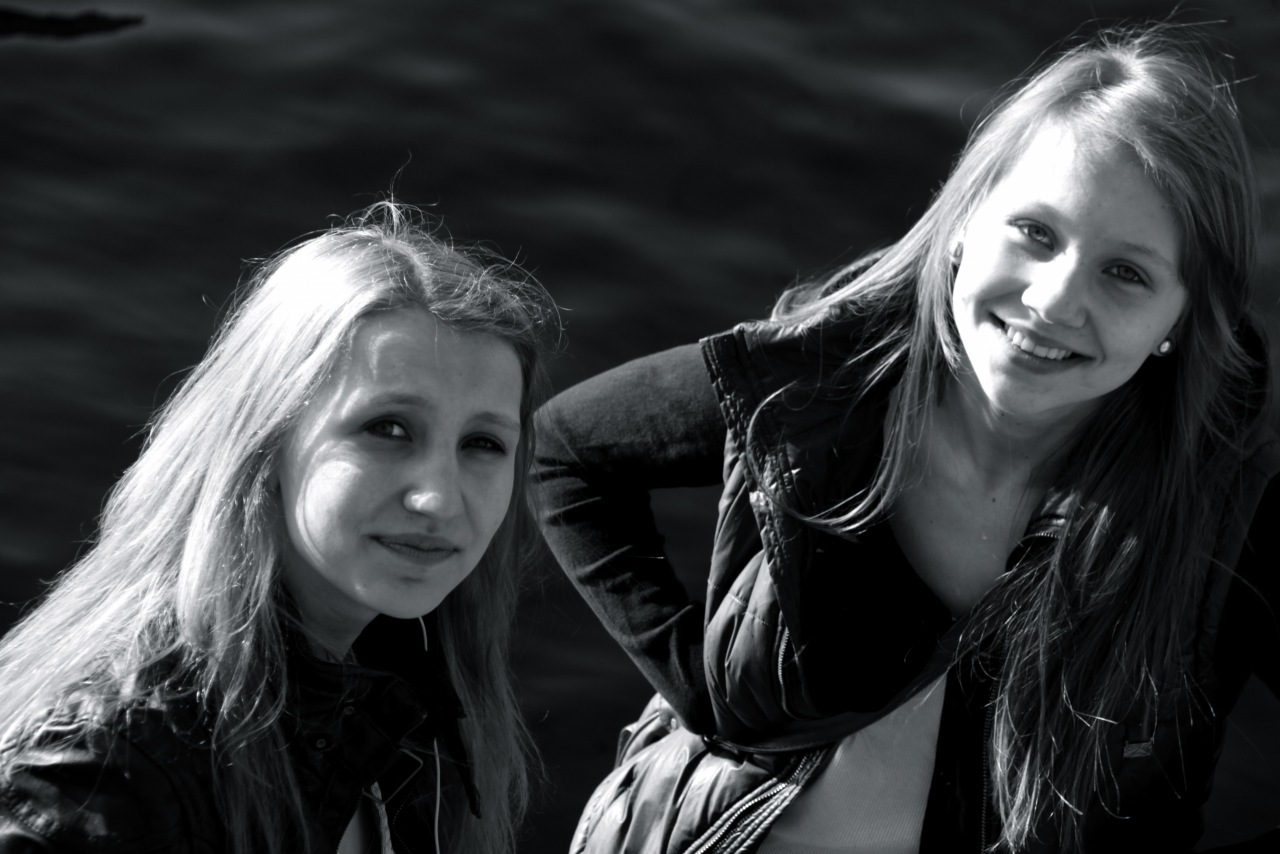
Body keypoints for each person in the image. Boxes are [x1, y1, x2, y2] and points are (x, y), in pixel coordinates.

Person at [535, 24, 1280, 853]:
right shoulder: (821, 385)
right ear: (964, 221)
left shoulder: (1227, 505)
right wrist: (701, 695)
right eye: (1035, 232)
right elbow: (565, 453)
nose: (1053, 302)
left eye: (1126, 273)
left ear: (1181, 319)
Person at [0, 202, 559, 853]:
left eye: (484, 444)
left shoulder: (415, 699)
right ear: (265, 444)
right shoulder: (101, 771)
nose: (439, 499)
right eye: (387, 429)